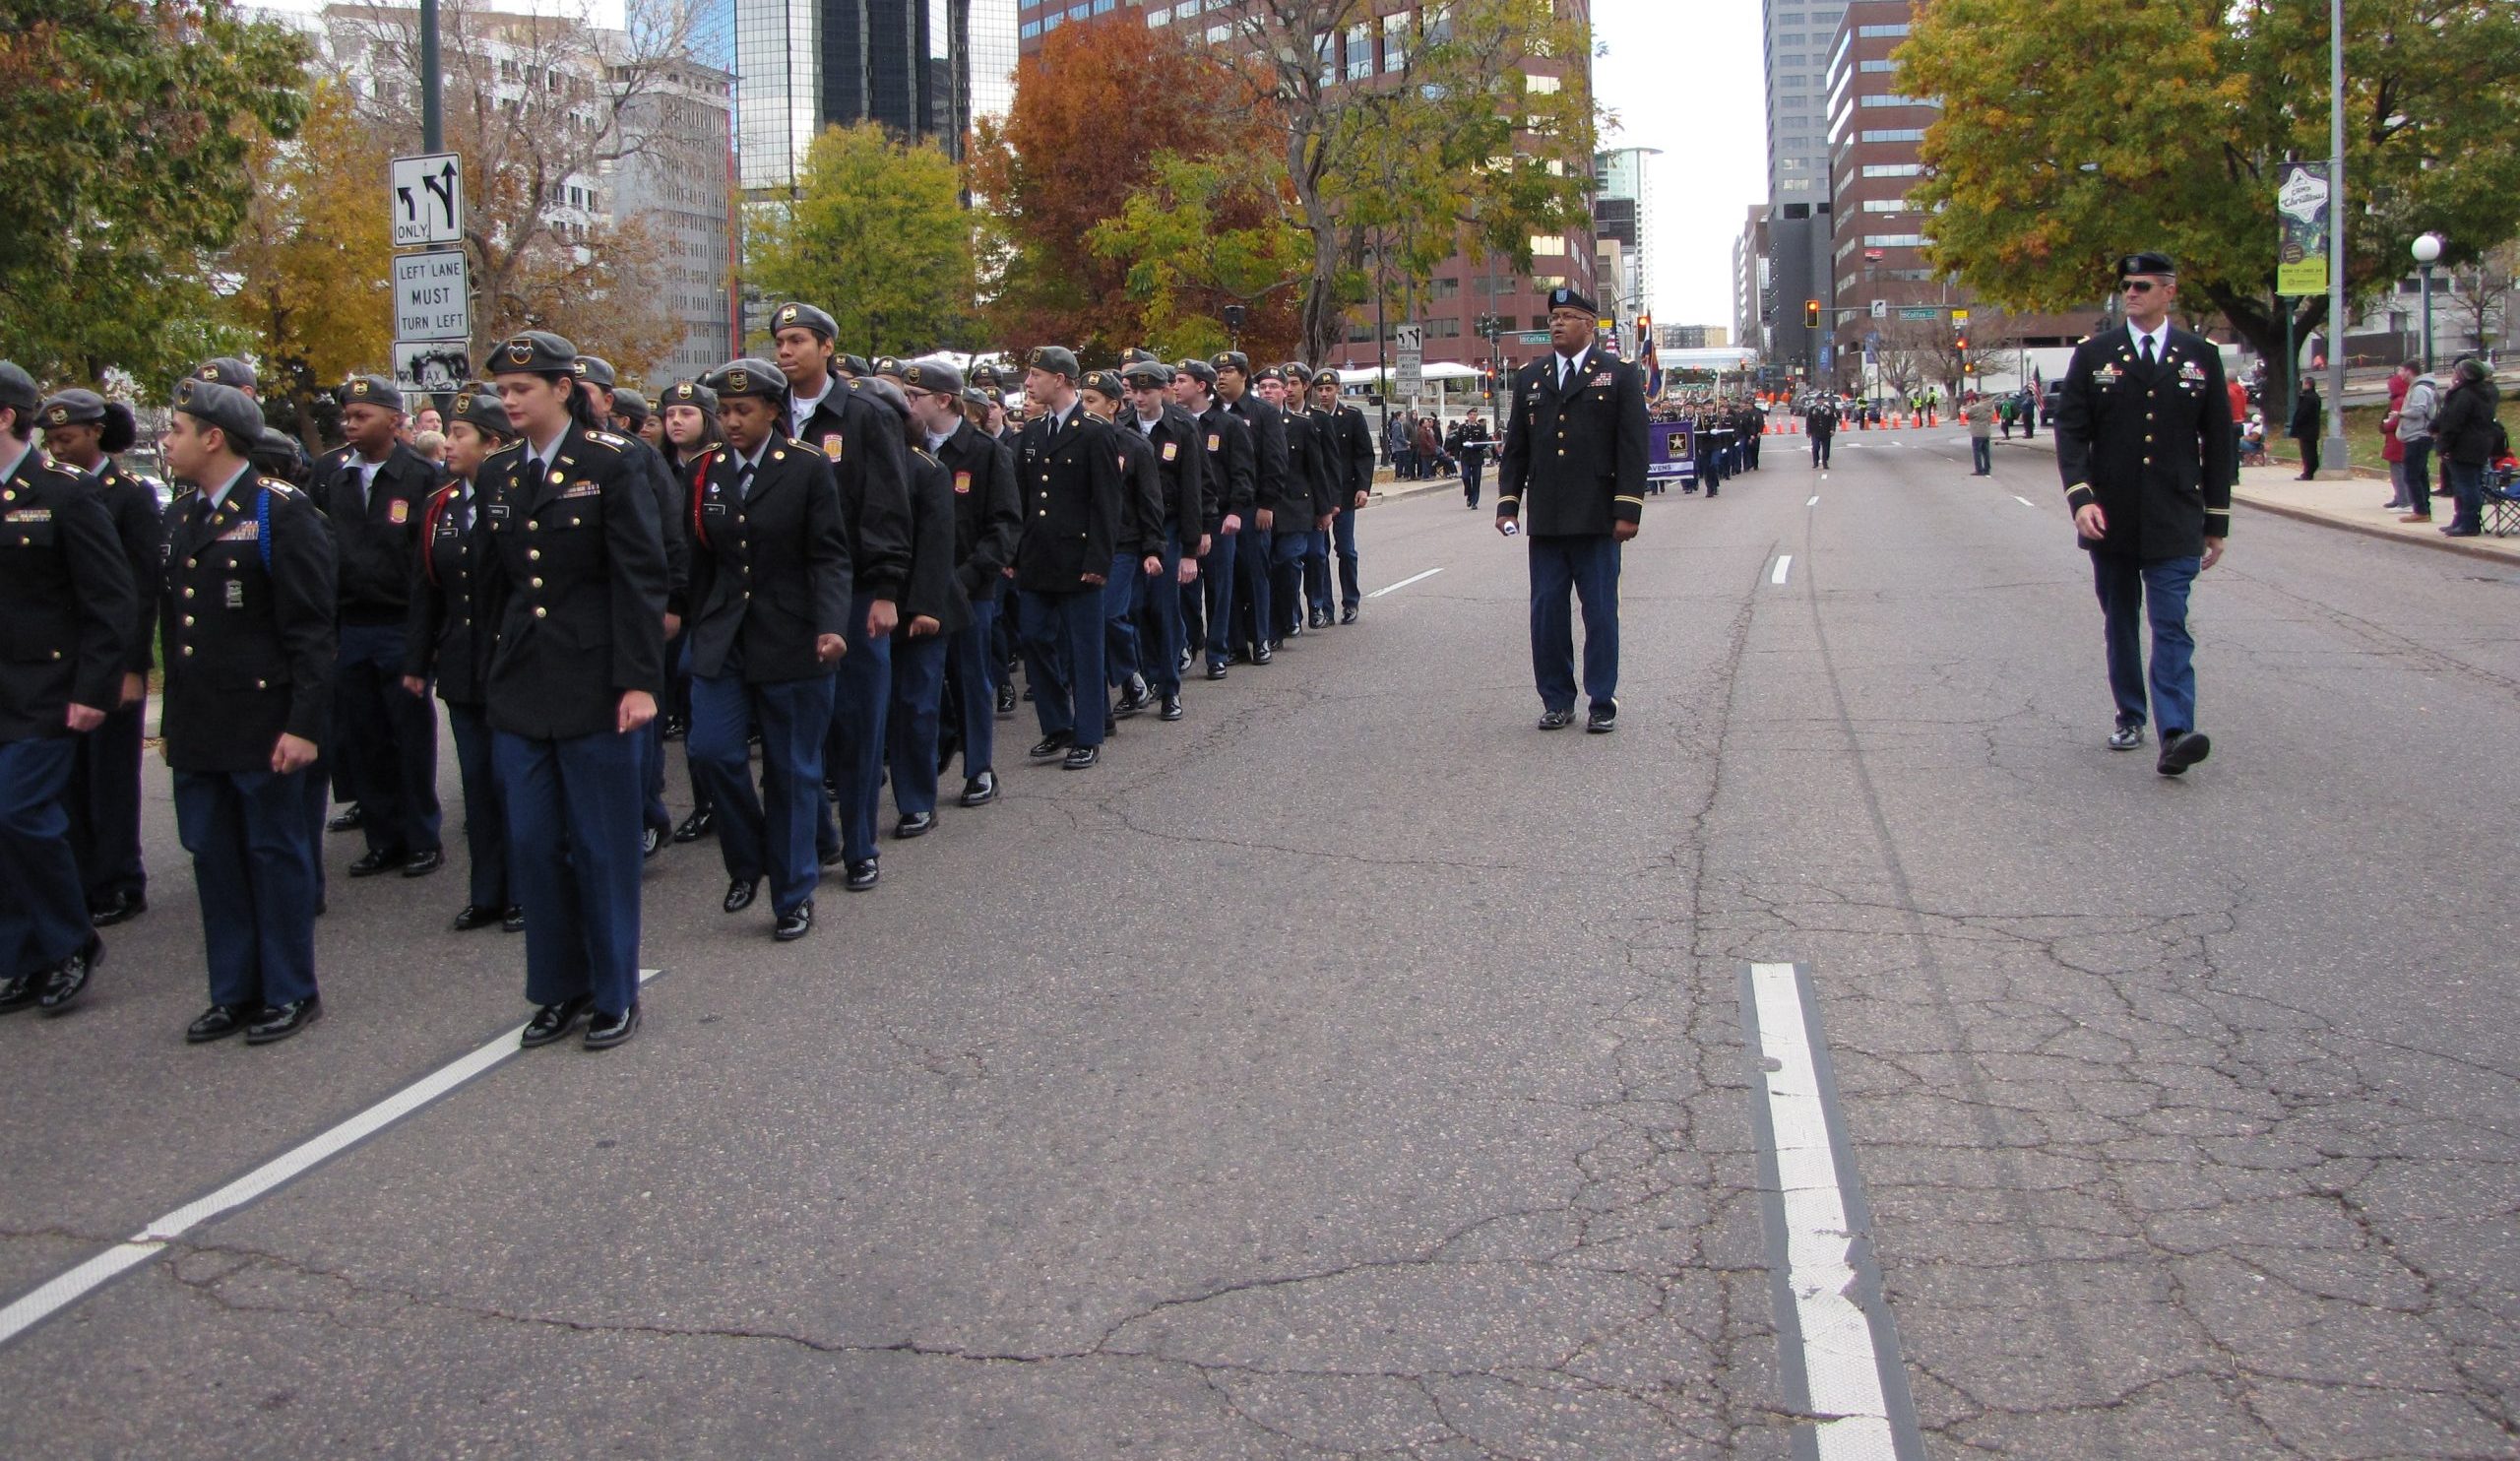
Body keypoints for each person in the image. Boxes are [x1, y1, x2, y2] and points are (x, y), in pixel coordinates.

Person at [479, 331, 668, 1049]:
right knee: (532, 842)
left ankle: (614, 991)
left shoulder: (612, 464)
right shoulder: (498, 473)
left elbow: (640, 576)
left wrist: (640, 682)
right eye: (502, 391)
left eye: (522, 389)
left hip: (599, 682)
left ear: (563, 389)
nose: (510, 401)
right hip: (525, 682)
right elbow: (498, 584)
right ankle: (558, 988)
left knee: (600, 843)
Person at [158, 372, 338, 1043]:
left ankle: (289, 989)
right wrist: (174, 724)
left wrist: (304, 725)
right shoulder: (180, 518)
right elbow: (176, 635)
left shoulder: (277, 511)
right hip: (204, 724)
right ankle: (233, 991)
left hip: (265, 723)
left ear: (213, 437)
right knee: (214, 858)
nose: (165, 441)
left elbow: (312, 631)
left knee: (274, 854)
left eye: (176, 431)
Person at [684, 358, 849, 940]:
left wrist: (831, 624)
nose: (729, 422)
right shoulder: (704, 471)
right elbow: (696, 558)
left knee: (791, 771)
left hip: (792, 634)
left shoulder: (806, 468)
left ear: (773, 412)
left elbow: (829, 554)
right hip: (724, 635)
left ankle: (793, 892)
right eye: (723, 411)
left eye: (742, 411)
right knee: (712, 753)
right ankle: (748, 857)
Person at [2052, 251, 2234, 776]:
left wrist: (2216, 523)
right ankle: (2131, 713)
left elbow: (2218, 442)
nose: (2131, 293)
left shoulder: (2200, 356)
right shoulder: (2094, 356)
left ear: (2168, 293)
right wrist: (2081, 498)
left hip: (2176, 515)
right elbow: (2072, 433)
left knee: (2171, 623)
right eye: (2126, 286)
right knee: (2121, 621)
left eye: (2142, 286)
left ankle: (2176, 732)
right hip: (2111, 516)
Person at [0, 364, 135, 1017]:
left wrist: (95, 686)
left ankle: (72, 939)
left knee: (19, 810)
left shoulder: (63, 493)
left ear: (5, 417)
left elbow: (110, 599)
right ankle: (23, 954)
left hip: (47, 687)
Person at [766, 302, 910, 895]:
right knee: (801, 729)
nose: (785, 352)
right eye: (779, 342)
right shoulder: (768, 414)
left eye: (797, 340)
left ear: (827, 347)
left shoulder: (865, 415)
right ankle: (818, 837)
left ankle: (859, 844)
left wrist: (886, 590)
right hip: (787, 594)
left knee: (857, 722)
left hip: (853, 587)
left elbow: (887, 505)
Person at [1494, 286, 1648, 733]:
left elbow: (1632, 448)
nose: (1556, 323)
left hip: (1598, 517)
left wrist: (1628, 510)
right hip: (1548, 518)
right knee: (1546, 614)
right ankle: (1557, 698)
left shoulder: (1617, 374)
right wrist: (1508, 504)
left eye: (1566, 316)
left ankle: (1602, 698)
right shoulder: (1532, 377)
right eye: (1552, 317)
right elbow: (1517, 452)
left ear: (1589, 324)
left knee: (1599, 611)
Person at [36, 389, 160, 930]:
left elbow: (137, 588)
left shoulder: (129, 494)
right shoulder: (50, 493)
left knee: (109, 776)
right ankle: (84, 877)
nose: (58, 448)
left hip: (111, 658)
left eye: (67, 438)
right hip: (63, 658)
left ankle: (119, 879)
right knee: (69, 778)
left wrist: (133, 666)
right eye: (51, 440)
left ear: (94, 433)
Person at [315, 376, 445, 880]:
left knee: (408, 736)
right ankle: (381, 836)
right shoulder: (331, 474)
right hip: (350, 624)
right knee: (362, 737)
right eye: (346, 416)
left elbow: (429, 562)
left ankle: (421, 836)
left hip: (400, 625)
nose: (350, 424)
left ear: (395, 421)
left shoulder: (422, 475)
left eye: (361, 416)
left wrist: (426, 638)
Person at [400, 387, 520, 933]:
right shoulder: (440, 505)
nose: (449, 444)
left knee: (512, 782)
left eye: (460, 434)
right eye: (447, 432)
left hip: (512, 662)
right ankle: (487, 890)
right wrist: (415, 660)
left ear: (492, 443)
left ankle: (524, 889)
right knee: (476, 782)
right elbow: (427, 589)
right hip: (462, 665)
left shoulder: (518, 496)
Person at [575, 356, 689, 860]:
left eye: (586, 390)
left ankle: (646, 815)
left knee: (635, 723)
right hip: (569, 624)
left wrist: (670, 603)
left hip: (628, 612)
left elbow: (666, 535)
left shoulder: (631, 456)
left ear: (607, 400)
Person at [907, 366, 1020, 803]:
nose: (908, 403)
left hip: (969, 586)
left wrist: (970, 575)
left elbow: (1005, 525)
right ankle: (932, 756)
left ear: (944, 400)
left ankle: (979, 767)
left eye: (915, 395)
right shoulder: (908, 449)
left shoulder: (984, 452)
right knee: (922, 685)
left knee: (970, 677)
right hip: (918, 589)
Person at [1012, 347, 1123, 769]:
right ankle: (1056, 724)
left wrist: (1099, 560)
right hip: (1038, 557)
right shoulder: (1035, 430)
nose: (1028, 383)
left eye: (1035, 375)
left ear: (1060, 379)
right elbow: (1024, 498)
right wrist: (1015, 552)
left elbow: (1107, 503)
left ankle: (1088, 733)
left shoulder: (1095, 430)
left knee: (1083, 649)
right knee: (1036, 639)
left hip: (1079, 558)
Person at [1119, 358, 1204, 720]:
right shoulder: (1121, 427)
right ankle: (1145, 676)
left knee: (1163, 609)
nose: (1138, 398)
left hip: (1168, 528)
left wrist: (1189, 549)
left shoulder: (1182, 427)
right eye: (1134, 391)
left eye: (1146, 390)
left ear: (1163, 391)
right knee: (1133, 608)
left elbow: (1192, 491)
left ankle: (1170, 687)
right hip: (1131, 532)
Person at [659, 379, 724, 831]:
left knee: (700, 698)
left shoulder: (719, 466)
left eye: (687, 413)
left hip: (706, 605)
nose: (676, 421)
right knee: (679, 705)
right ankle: (703, 803)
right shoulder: (655, 468)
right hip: (666, 604)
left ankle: (716, 799)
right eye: (670, 415)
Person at [1171, 358, 1252, 681]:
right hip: (1183, 520)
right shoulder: (1173, 423)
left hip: (1219, 518)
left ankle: (1217, 652)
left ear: (1201, 386)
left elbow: (1243, 473)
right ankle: (1190, 642)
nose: (1175, 386)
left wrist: (1235, 510)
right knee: (1183, 587)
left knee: (1219, 587)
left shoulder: (1228, 424)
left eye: (1181, 380)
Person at [1311, 370, 1376, 622]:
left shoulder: (1351, 416)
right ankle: (1323, 607)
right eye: (1320, 390)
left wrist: (1363, 487)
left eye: (1329, 389)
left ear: (1338, 389)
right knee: (1318, 553)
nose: (1324, 394)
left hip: (1346, 493)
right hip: (1318, 494)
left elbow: (1364, 454)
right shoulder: (1311, 418)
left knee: (1346, 550)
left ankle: (1350, 601)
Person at [2432, 355, 2500, 539]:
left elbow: (2453, 422)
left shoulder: (2465, 394)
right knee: (2464, 484)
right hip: (2478, 444)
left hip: (2465, 445)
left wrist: (2443, 445)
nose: (2453, 375)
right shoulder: (2481, 392)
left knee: (2467, 485)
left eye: (2456, 372)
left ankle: (2469, 522)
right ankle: (2461, 519)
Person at [2396, 363, 2440, 524]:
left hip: (2418, 436)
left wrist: (2400, 414)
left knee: (2412, 474)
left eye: (2401, 370)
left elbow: (2418, 410)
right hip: (2417, 435)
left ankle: (2421, 510)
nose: (2399, 374)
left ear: (2409, 371)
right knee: (2420, 474)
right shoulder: (2418, 387)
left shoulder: (2420, 389)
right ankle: (2422, 509)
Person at [1452, 409, 1492, 510]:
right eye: (1471, 415)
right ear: (1467, 416)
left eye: (1474, 415)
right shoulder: (1462, 428)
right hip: (1465, 456)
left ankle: (1474, 501)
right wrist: (1456, 458)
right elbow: (1457, 443)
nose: (1472, 416)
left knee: (1476, 479)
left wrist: (1473, 446)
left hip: (1476, 457)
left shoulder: (1481, 428)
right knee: (1465, 476)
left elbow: (1484, 443)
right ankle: (1469, 493)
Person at [2289, 372, 2323, 479]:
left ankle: (2308, 473)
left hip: (2306, 430)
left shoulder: (2308, 398)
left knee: (2307, 452)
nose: (2302, 386)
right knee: (2311, 450)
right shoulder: (2315, 397)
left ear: (2308, 385)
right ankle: (2311, 470)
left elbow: (2303, 413)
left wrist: (2297, 423)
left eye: (2304, 384)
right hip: (2312, 429)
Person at [1961, 391, 1995, 475]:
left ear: (1981, 397)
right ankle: (1987, 469)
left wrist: (1969, 406)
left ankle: (1979, 469)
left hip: (1977, 431)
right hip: (1986, 430)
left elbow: (1968, 415)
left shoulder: (1978, 406)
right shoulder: (1991, 406)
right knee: (1986, 452)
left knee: (1977, 451)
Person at [1805, 394, 1838, 469]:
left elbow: (1833, 420)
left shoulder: (1829, 409)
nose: (1820, 401)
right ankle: (1815, 462)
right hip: (1815, 432)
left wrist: (1832, 429)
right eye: (1818, 400)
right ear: (1816, 401)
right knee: (1815, 447)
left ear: (1824, 400)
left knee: (1826, 448)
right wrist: (1808, 431)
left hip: (1826, 432)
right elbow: (1809, 420)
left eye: (1821, 400)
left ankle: (1825, 462)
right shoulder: (1812, 409)